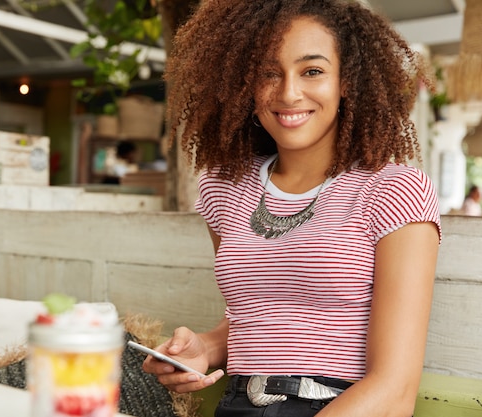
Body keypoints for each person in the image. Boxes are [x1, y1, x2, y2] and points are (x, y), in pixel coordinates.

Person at [142, 1, 442, 416]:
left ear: (347, 81)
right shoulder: (226, 189)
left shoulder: (393, 190)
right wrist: (205, 348)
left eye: (312, 71)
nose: (288, 92)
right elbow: (259, 316)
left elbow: (394, 389)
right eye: (268, 73)